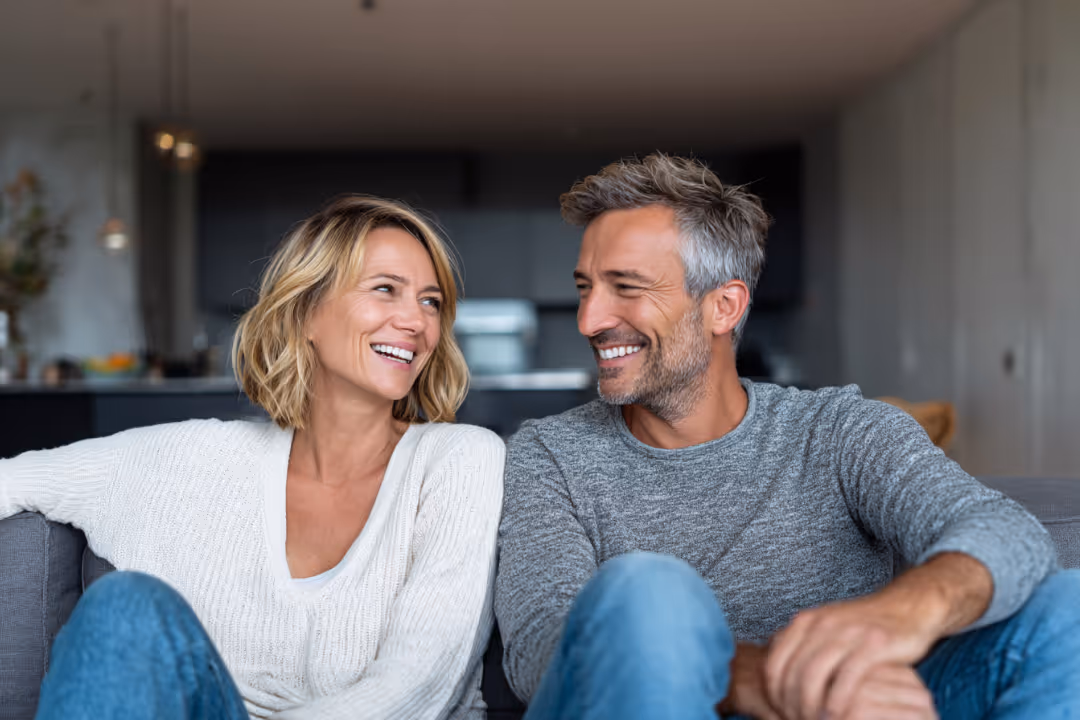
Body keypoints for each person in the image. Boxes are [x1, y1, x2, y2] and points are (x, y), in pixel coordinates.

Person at [494, 154, 1080, 720]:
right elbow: (539, 651)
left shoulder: (838, 431)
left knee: (1069, 608)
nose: (588, 319)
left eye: (625, 286)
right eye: (584, 287)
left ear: (723, 307)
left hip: (848, 708)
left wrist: (893, 620)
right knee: (649, 591)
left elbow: (1009, 533)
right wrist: (753, 674)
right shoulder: (549, 455)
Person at [0, 196, 505, 720]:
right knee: (119, 605)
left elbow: (415, 687)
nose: (417, 322)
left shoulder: (458, 460)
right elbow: (12, 480)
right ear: (307, 310)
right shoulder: (198, 457)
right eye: (385, 290)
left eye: (431, 302)